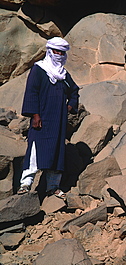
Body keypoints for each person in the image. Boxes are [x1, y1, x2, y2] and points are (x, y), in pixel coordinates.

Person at [17, 37, 79, 198]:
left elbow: (74, 91)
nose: (59, 55)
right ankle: (25, 184)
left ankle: (53, 187)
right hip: (42, 119)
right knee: (35, 151)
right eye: (56, 51)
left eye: (62, 52)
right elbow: (32, 92)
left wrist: (70, 106)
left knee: (56, 153)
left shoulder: (64, 75)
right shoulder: (39, 70)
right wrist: (35, 115)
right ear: (50, 52)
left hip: (58, 121)